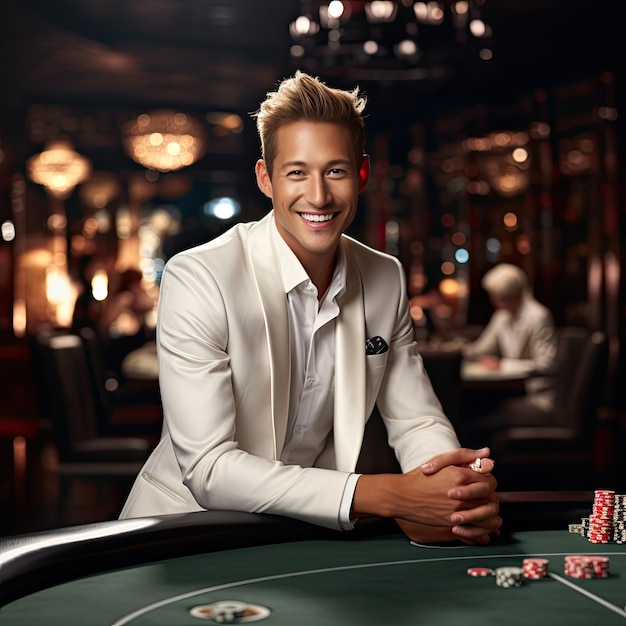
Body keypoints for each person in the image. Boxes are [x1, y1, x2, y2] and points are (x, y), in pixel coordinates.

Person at [119, 71, 501, 545]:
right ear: (267, 179)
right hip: (184, 532)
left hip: (302, 533)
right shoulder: (201, 276)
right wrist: (388, 496)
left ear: (361, 174)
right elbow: (208, 468)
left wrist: (450, 492)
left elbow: (415, 419)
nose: (318, 196)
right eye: (297, 172)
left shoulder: (385, 276)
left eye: (335, 171)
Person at [463, 263, 557, 393]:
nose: (496, 303)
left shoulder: (538, 316)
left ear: (517, 294)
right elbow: (482, 348)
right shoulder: (501, 315)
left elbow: (546, 365)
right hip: (510, 387)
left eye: (501, 298)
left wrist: (503, 365)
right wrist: (455, 351)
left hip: (532, 389)